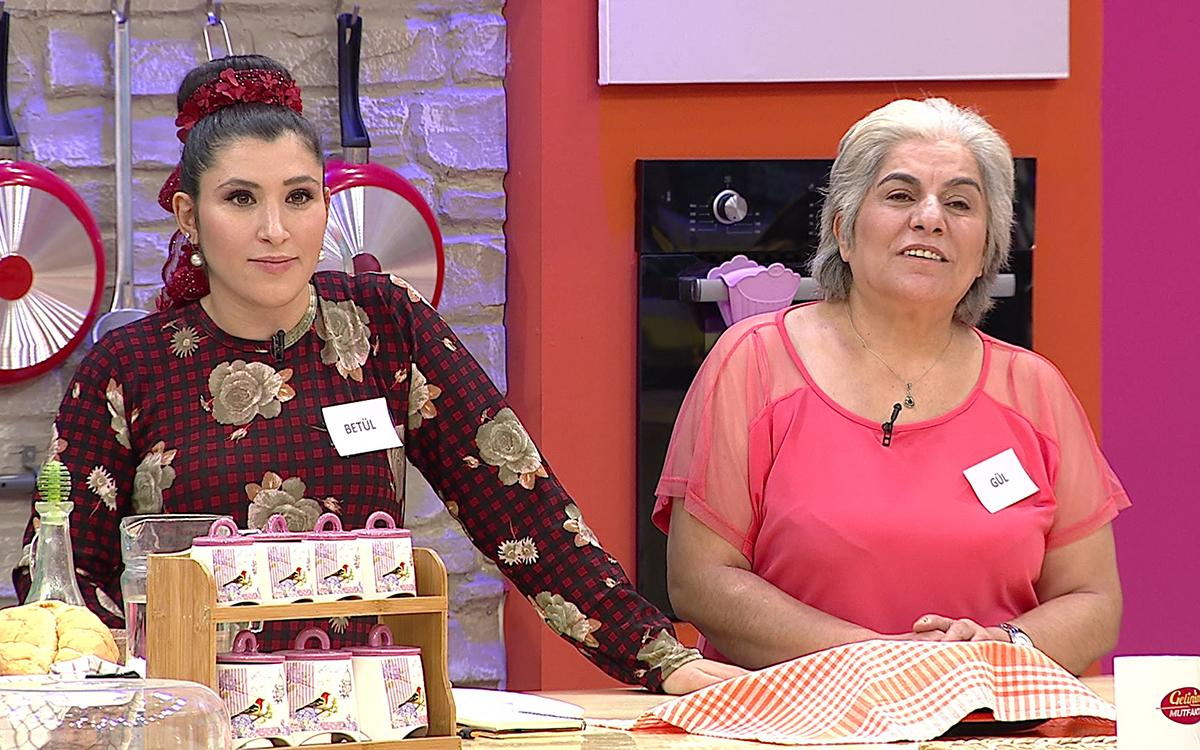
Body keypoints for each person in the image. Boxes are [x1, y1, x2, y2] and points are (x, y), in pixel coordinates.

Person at [12, 54, 743, 694]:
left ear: (326, 205)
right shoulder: (127, 367)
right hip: (193, 721)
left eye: (299, 196)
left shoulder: (385, 324)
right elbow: (59, 583)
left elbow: (517, 503)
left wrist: (659, 658)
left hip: (373, 714)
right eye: (240, 198)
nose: (275, 229)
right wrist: (140, 694)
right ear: (187, 215)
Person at [654, 98, 1129, 675]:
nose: (930, 218)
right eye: (901, 195)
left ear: (987, 252)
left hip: (992, 711)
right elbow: (701, 580)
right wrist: (885, 663)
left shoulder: (1035, 389)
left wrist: (1001, 648)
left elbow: (1092, 599)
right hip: (800, 714)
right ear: (843, 231)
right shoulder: (754, 362)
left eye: (959, 202)